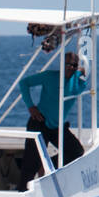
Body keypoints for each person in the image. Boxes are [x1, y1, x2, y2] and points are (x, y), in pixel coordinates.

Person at [17, 51, 88, 183]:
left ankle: (45, 166)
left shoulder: (76, 82)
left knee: (76, 151)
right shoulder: (49, 76)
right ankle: (22, 191)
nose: (71, 67)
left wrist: (79, 72)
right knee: (30, 164)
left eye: (74, 65)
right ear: (62, 64)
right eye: (68, 64)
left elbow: (73, 89)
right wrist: (30, 106)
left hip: (57, 127)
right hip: (39, 122)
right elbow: (23, 83)